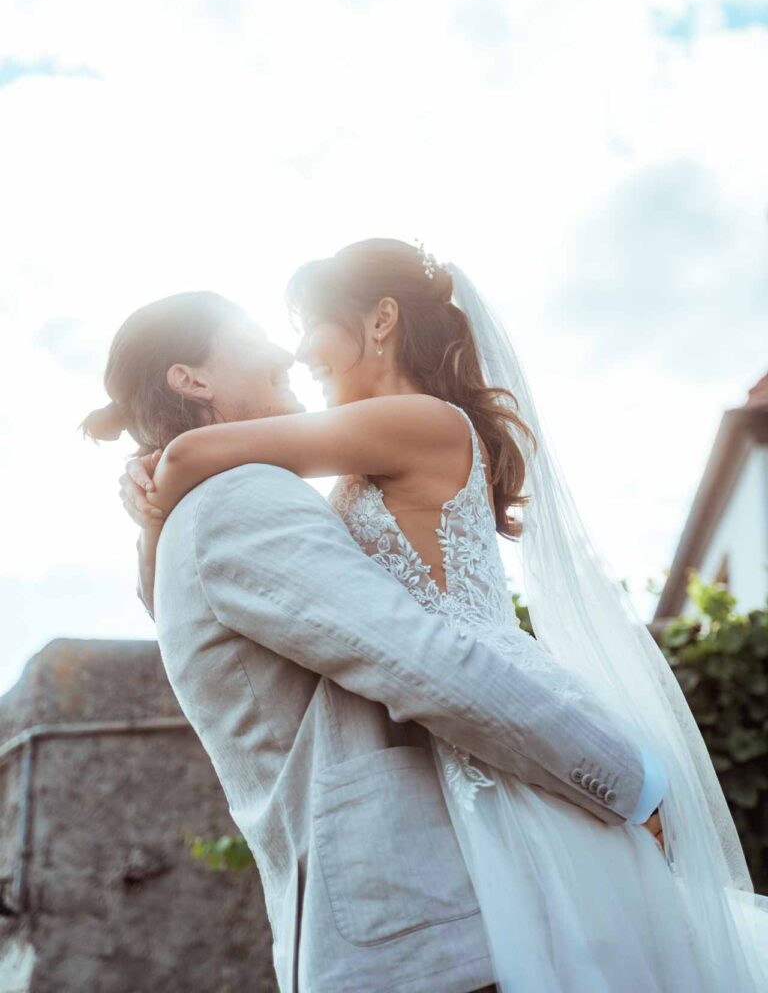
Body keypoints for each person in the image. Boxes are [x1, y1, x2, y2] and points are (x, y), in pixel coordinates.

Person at [82, 280, 666, 993]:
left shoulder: (195, 514)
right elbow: (423, 661)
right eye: (251, 330)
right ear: (192, 377)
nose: (282, 349)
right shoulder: (236, 501)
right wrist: (626, 780)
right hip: (421, 931)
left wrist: (153, 499)